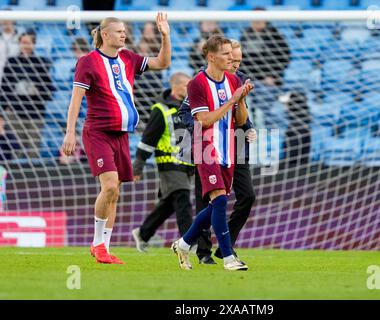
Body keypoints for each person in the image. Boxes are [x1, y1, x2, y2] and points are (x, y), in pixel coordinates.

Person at [61, 13, 171, 264]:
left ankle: (104, 248)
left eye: (125, 31)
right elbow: (76, 98)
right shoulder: (88, 62)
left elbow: (163, 63)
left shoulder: (128, 58)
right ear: (105, 34)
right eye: (119, 31)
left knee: (115, 192)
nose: (124, 34)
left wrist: (165, 36)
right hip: (98, 132)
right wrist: (70, 133)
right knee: (109, 186)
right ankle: (97, 243)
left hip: (122, 135)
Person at [171, 35, 254, 271]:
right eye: (227, 54)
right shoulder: (197, 83)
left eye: (233, 54)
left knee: (216, 204)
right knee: (218, 199)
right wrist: (231, 101)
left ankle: (184, 243)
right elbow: (204, 119)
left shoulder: (234, 80)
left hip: (228, 147)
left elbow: (240, 120)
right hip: (205, 147)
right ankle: (228, 257)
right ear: (211, 57)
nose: (232, 58)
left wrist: (242, 100)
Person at [131, 72, 194, 252]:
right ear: (176, 86)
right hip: (168, 163)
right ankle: (189, 243)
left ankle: (143, 233)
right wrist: (138, 167)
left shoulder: (189, 108)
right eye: (186, 86)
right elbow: (147, 140)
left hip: (188, 164)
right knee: (182, 198)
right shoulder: (161, 109)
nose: (190, 90)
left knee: (169, 204)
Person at [0, 31, 54, 158]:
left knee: (33, 151)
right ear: (19, 43)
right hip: (15, 113)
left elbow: (49, 89)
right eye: (23, 42)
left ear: (34, 44)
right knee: (15, 151)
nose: (25, 45)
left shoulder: (41, 63)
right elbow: (5, 87)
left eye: (28, 42)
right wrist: (3, 111)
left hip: (35, 113)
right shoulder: (12, 62)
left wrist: (38, 90)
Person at [239, 7, 290, 87]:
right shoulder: (245, 35)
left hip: (269, 80)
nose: (257, 21)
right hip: (248, 79)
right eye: (254, 18)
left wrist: (273, 76)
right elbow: (241, 58)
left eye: (260, 18)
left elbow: (285, 58)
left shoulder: (275, 35)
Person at [0, 19, 20, 85]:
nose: (5, 21)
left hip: (13, 74)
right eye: (3, 19)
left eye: (8, 19)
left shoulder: (19, 38)